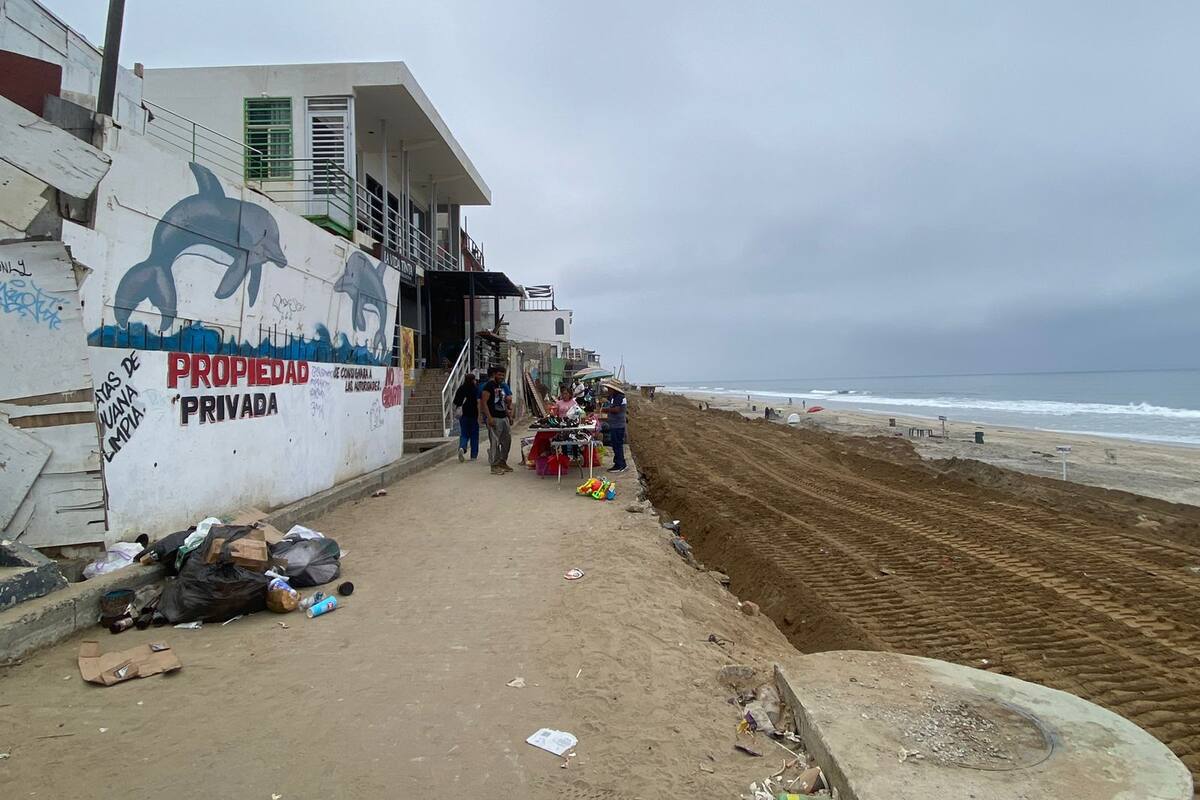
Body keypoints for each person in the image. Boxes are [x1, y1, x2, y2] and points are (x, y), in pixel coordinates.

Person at [481, 366, 514, 475]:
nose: (501, 377)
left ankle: (502, 462)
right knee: (495, 443)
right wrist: (489, 417)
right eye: (499, 374)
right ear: (494, 374)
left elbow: (503, 403)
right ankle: (494, 466)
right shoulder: (489, 386)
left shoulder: (501, 386)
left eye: (503, 375)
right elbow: (484, 402)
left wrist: (509, 416)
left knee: (507, 441)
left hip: (503, 417)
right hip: (494, 418)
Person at [453, 373, 479, 462]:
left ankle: (462, 447)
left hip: (463, 415)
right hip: (474, 415)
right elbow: (479, 402)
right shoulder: (475, 389)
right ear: (473, 380)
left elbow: (456, 401)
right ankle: (473, 456)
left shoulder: (461, 388)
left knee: (464, 433)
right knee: (474, 435)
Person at [603, 381, 628, 473]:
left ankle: (620, 465)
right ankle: (620, 463)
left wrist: (606, 409)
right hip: (616, 425)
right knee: (616, 445)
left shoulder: (619, 397)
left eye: (609, 389)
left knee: (617, 445)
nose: (608, 390)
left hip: (618, 425)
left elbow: (616, 410)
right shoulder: (615, 397)